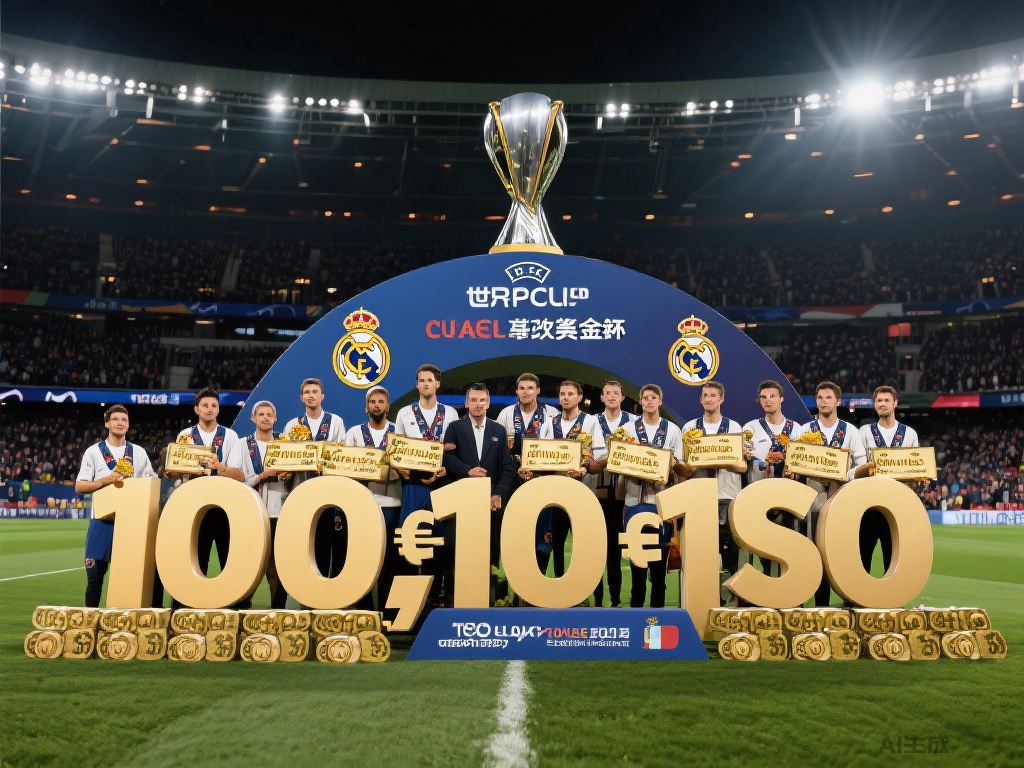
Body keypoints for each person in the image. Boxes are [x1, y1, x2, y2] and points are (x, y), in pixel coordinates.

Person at [76, 404, 157, 608]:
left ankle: (125, 620)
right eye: (115, 419)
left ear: (128, 425)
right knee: (95, 578)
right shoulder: (93, 452)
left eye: (124, 420)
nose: (120, 423)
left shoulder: (138, 452)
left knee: (130, 578)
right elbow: (80, 486)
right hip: (101, 521)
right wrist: (106, 480)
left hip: (130, 523)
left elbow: (151, 483)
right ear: (107, 423)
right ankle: (90, 620)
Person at [442, 383, 515, 602]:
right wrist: (468, 470)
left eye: (482, 400)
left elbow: (507, 468)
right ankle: (452, 598)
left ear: (488, 403)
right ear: (466, 403)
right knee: (455, 550)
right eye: (473, 400)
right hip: (461, 502)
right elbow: (448, 458)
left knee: (489, 551)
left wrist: (498, 493)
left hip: (489, 504)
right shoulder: (454, 428)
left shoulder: (498, 430)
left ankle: (488, 599)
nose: (478, 404)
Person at [394, 364, 459, 605]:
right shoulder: (404, 413)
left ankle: (433, 595)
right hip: (413, 484)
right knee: (409, 539)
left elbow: (453, 450)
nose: (425, 384)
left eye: (430, 380)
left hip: (441, 483)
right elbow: (396, 450)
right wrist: (402, 469)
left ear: (437, 383)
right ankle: (410, 598)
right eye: (421, 380)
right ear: (417, 384)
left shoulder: (450, 414)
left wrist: (445, 469)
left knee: (438, 541)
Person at [531, 380, 608, 579]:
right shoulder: (549, 423)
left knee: (585, 546)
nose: (566, 398)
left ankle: (592, 591)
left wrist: (585, 467)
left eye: (570, 394)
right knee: (556, 544)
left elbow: (601, 460)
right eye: (562, 394)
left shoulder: (590, 422)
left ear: (579, 397)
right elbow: (538, 456)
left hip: (582, 493)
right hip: (555, 494)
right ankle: (559, 587)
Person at [801, 381, 868, 606]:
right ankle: (821, 605)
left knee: (843, 553)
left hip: (842, 500)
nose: (823, 402)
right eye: (820, 398)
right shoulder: (806, 430)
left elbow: (862, 464)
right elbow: (795, 459)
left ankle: (849, 600)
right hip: (813, 500)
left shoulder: (850, 431)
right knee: (817, 554)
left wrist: (843, 475)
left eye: (828, 397)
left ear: (838, 401)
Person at [680, 381, 747, 603]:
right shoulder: (689, 428)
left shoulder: (734, 427)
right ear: (700, 400)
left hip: (728, 497)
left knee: (731, 554)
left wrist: (718, 460)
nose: (709, 399)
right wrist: (693, 465)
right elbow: (683, 467)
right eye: (705, 395)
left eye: (713, 395)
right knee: (702, 555)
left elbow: (742, 467)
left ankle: (733, 602)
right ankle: (703, 601)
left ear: (721, 399)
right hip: (699, 500)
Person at [621, 384, 686, 608]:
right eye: (646, 398)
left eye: (653, 398)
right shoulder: (628, 429)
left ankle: (657, 615)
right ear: (640, 401)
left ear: (660, 401)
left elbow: (682, 470)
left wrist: (672, 463)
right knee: (637, 569)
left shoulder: (673, 430)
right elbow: (618, 462)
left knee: (659, 571)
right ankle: (635, 615)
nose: (649, 401)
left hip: (661, 505)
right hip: (634, 503)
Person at [171, 388, 244, 586]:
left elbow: (239, 476)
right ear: (197, 409)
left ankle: (232, 600)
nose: (210, 409)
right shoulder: (185, 435)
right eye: (205, 405)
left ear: (218, 409)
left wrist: (219, 467)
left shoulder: (230, 436)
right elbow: (176, 470)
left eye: (214, 405)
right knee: (195, 559)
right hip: (193, 506)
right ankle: (188, 601)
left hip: (222, 506)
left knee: (226, 559)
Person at [344, 385, 402, 613]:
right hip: (364, 505)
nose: (376, 405)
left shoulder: (398, 432)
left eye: (380, 402)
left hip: (392, 503)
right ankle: (364, 611)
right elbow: (346, 467)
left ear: (388, 406)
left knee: (390, 560)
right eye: (372, 402)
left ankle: (390, 613)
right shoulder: (354, 433)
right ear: (366, 407)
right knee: (364, 558)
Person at [282, 377, 346, 578]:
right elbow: (286, 458)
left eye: (314, 392)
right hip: (300, 491)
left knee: (326, 542)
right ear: (301, 397)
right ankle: (303, 588)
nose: (311, 396)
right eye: (307, 392)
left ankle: (326, 586)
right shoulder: (292, 424)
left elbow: (340, 456)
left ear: (322, 396)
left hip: (327, 493)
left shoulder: (336, 422)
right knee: (303, 543)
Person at [742, 379, 805, 576]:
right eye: (763, 397)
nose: (768, 400)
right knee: (764, 549)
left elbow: (802, 461)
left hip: (789, 497)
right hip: (760, 496)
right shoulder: (750, 428)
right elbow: (744, 459)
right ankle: (768, 586)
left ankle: (792, 589)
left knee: (789, 547)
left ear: (781, 399)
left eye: (772, 396)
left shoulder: (796, 429)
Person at [234, 400, 292, 609]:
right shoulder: (242, 444)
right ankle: (242, 606)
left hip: (279, 511)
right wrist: (262, 476)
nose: (265, 418)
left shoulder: (286, 445)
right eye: (261, 414)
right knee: (249, 562)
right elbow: (237, 479)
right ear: (254, 418)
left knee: (276, 565)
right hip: (252, 512)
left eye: (269, 415)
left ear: (275, 419)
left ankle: (278, 608)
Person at [857, 385, 919, 574]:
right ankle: (860, 592)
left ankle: (893, 592)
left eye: (886, 400)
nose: (882, 404)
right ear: (875, 404)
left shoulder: (909, 433)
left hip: (897, 505)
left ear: (895, 404)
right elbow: (857, 468)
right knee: (863, 557)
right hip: (869, 504)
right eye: (879, 401)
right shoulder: (865, 432)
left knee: (893, 558)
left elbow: (917, 468)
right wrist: (871, 467)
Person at [592, 379, 635, 607]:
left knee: (616, 548)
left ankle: (616, 599)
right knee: (596, 548)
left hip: (621, 493)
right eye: (607, 393)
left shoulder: (633, 422)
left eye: (615, 393)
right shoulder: (591, 421)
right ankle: (597, 598)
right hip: (595, 491)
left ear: (622, 397)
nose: (611, 397)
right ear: (601, 397)